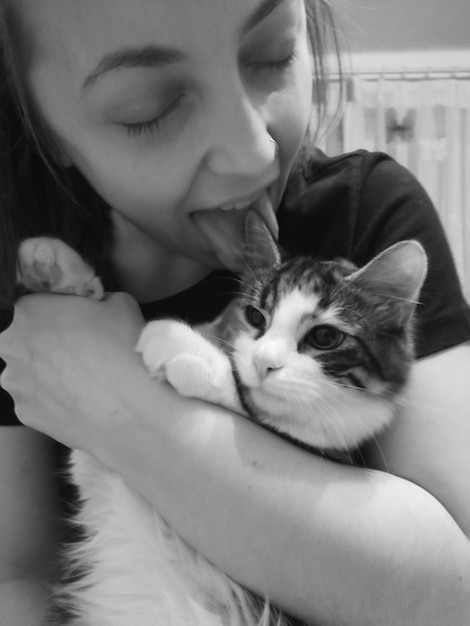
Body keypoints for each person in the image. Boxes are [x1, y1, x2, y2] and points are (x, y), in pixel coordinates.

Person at [0, 0, 469, 624]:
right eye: (152, 107)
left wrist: (118, 404)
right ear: (42, 125)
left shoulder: (367, 211)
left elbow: (453, 592)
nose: (253, 152)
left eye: (273, 53)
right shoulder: (24, 296)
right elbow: (20, 578)